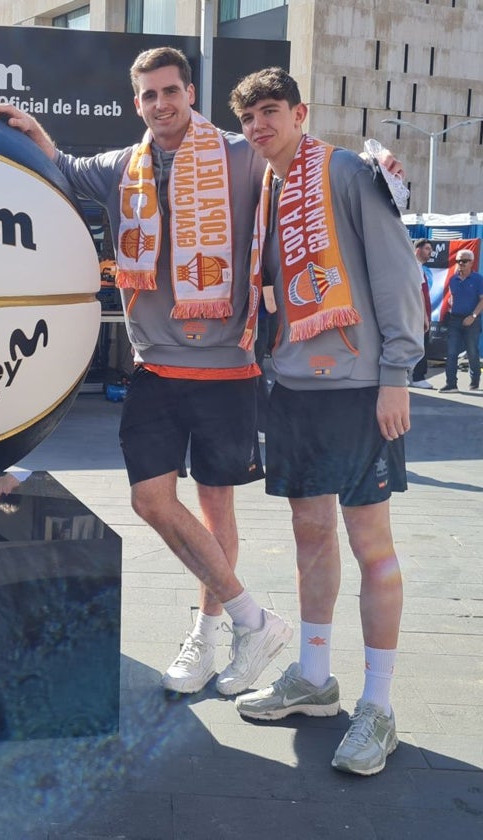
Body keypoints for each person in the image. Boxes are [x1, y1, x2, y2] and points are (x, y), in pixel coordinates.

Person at [0, 47, 292, 697]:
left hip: (227, 364)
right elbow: (61, 168)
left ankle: (207, 638)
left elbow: (305, 178)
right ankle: (251, 619)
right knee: (150, 500)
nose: (161, 104)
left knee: (214, 506)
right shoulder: (123, 167)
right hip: (154, 366)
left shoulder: (241, 154)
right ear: (137, 103)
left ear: (190, 92)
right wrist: (31, 130)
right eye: (149, 96)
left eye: (171, 91)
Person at [228, 67, 424, 776]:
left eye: (271, 112)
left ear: (300, 113)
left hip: (361, 387)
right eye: (249, 119)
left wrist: (397, 376)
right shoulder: (269, 189)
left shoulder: (342, 171)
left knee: (370, 541)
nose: (259, 128)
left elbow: (398, 273)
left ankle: (379, 705)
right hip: (296, 389)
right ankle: (314, 679)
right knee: (310, 534)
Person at [439, 248, 483, 393]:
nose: (461, 263)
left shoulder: (478, 279)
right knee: (451, 352)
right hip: (455, 320)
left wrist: (473, 316)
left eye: (464, 261)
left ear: (471, 262)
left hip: (472, 320)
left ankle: (475, 380)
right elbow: (452, 298)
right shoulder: (453, 279)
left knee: (472, 352)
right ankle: (451, 384)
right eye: (458, 261)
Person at [409, 239, 435, 389]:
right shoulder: (414, 266)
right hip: (417, 314)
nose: (430, 252)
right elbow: (418, 293)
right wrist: (424, 316)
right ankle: (417, 377)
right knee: (419, 346)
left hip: (419, 314)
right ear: (417, 250)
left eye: (431, 250)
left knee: (418, 345)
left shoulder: (419, 267)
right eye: (427, 249)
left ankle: (413, 376)